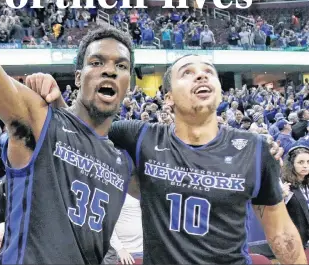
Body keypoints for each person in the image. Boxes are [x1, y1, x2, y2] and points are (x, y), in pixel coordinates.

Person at [27, 54, 304, 264]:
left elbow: (281, 233)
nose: (201, 76)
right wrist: (58, 101)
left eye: (209, 73)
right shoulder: (141, 136)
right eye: (188, 73)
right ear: (168, 97)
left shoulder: (253, 149)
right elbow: (81, 131)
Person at [0, 27, 134, 264]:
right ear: (78, 77)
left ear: (129, 85)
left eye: (121, 66)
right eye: (96, 62)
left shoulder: (125, 160)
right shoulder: (41, 118)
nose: (109, 70)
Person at [282, 146, 309, 248]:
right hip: (294, 241)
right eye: (300, 162)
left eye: (308, 162)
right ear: (292, 164)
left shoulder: (307, 183)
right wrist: (281, 197)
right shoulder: (283, 185)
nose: (305, 166)